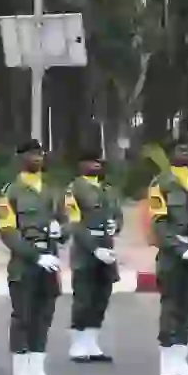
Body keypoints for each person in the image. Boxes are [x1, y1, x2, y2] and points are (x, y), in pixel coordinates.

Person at [0, 140, 66, 375]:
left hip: (50, 263)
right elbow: (8, 232)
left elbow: (66, 222)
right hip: (24, 265)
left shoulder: (52, 191)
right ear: (20, 157)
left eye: (40, 154)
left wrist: (62, 231)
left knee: (43, 318)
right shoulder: (10, 192)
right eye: (31, 154)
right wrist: (35, 255)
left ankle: (38, 372)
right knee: (23, 318)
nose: (37, 158)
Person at [146, 139, 188, 375]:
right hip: (173, 256)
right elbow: (159, 225)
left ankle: (181, 361)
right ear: (170, 155)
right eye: (180, 149)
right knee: (171, 308)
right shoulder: (161, 184)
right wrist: (181, 248)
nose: (186, 153)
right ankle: (168, 365)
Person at [65, 149, 121, 363]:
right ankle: (77, 343)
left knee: (101, 296)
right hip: (85, 249)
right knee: (84, 297)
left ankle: (92, 342)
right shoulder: (74, 189)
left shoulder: (108, 189)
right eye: (90, 162)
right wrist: (93, 248)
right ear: (80, 165)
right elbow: (74, 223)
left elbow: (118, 215)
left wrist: (117, 226)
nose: (96, 165)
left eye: (98, 162)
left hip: (107, 246)